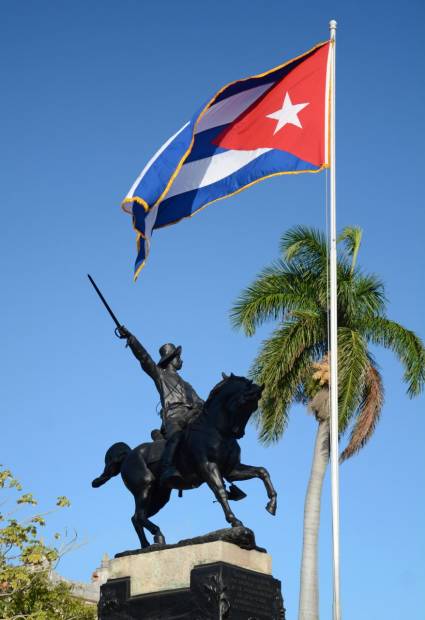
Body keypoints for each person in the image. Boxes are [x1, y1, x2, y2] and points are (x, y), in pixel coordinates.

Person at [117, 326, 204, 486]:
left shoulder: (187, 385)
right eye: (179, 357)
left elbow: (201, 403)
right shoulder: (161, 376)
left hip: (191, 417)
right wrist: (131, 338)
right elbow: (144, 358)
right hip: (173, 417)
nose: (181, 360)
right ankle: (168, 468)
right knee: (177, 435)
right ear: (172, 359)